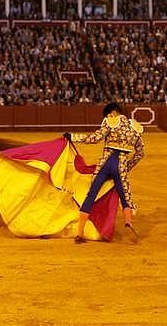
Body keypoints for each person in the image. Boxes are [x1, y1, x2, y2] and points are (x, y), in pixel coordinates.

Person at [65, 102, 144, 243]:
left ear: (113, 112)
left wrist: (73, 137)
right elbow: (140, 153)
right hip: (121, 166)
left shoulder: (111, 121)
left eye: (108, 114)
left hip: (106, 163)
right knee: (125, 197)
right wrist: (127, 167)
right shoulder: (135, 128)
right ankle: (128, 222)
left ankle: (80, 233)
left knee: (91, 196)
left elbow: (95, 138)